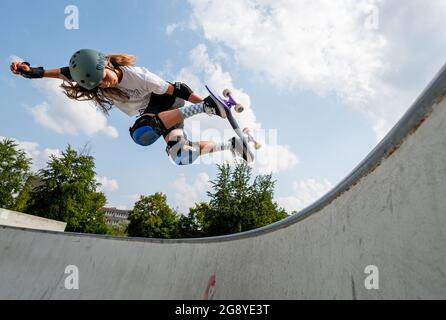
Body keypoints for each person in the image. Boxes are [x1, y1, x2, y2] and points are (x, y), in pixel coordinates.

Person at [10, 49, 250, 165]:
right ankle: (231, 145)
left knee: (142, 133)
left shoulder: (139, 76)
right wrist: (30, 72)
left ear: (105, 63)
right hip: (162, 116)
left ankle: (206, 108)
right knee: (180, 155)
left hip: (166, 103)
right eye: (99, 84)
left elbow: (179, 89)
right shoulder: (93, 80)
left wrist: (206, 105)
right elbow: (60, 72)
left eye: (104, 76)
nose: (105, 83)